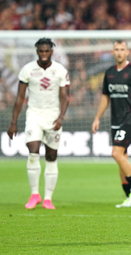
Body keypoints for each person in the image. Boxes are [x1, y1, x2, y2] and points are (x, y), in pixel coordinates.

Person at [7, 38, 70, 210]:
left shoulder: (60, 70)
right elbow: (20, 97)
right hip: (33, 116)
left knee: (51, 157)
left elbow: (65, 97)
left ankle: (48, 199)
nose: (43, 54)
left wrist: (60, 118)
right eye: (41, 51)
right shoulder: (27, 69)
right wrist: (13, 122)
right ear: (36, 51)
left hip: (53, 118)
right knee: (33, 152)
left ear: (52, 51)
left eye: (46, 51)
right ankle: (35, 194)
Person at [92, 40, 131, 208]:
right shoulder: (110, 73)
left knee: (116, 153)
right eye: (116, 49)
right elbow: (105, 97)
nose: (119, 52)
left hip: (130, 118)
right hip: (115, 120)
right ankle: (130, 197)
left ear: (127, 52)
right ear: (113, 52)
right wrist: (97, 117)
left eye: (122, 49)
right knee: (122, 158)